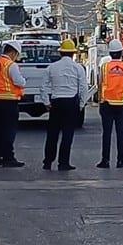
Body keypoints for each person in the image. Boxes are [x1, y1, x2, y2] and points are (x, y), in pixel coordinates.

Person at [42, 39, 88, 171]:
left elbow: (44, 87)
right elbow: (83, 88)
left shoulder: (51, 67)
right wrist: (81, 104)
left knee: (52, 134)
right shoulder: (78, 68)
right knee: (67, 134)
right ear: (73, 54)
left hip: (56, 102)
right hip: (71, 102)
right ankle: (63, 163)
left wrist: (46, 102)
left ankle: (48, 162)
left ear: (60, 53)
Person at [97, 39, 123, 169]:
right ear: (121, 52)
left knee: (107, 133)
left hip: (107, 103)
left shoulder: (104, 67)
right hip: (122, 103)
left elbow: (100, 83)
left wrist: (101, 100)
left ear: (110, 53)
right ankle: (120, 161)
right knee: (120, 133)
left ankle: (105, 160)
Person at [0, 40, 26, 167]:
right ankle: (8, 157)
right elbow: (19, 82)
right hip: (9, 102)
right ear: (13, 52)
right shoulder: (11, 65)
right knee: (9, 131)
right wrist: (24, 81)